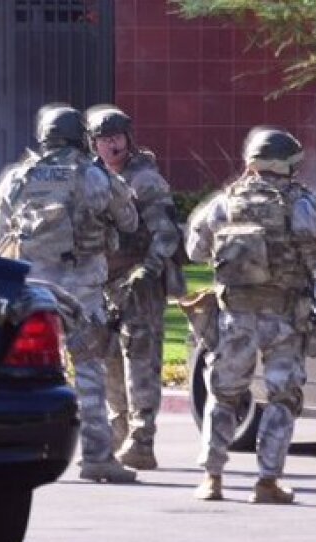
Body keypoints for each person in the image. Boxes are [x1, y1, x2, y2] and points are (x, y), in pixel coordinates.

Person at [186, 127, 316, 503]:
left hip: (236, 317)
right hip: (287, 318)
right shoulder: (305, 203)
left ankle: (212, 478)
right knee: (282, 397)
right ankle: (267, 481)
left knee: (224, 394)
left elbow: (194, 250)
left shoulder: (224, 202)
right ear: (289, 165)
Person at [0, 103, 140, 483]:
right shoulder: (93, 175)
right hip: (82, 287)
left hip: (33, 290)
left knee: (20, 371)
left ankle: (13, 453)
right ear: (79, 135)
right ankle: (97, 457)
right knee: (88, 368)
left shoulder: (17, 177)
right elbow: (129, 221)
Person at [84, 104, 184, 470]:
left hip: (140, 283)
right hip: (103, 283)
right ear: (92, 143)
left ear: (128, 139)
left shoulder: (146, 180)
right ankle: (119, 432)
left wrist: (149, 269)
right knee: (108, 356)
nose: (111, 146)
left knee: (140, 360)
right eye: (103, 139)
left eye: (117, 138)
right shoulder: (93, 178)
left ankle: (142, 439)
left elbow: (167, 233)